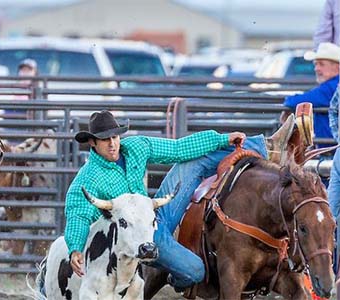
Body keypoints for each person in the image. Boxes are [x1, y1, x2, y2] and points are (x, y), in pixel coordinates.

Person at [65, 110, 296, 290]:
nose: (113, 143)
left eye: (115, 136)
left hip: (155, 217)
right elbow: (78, 212)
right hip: (138, 237)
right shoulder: (89, 178)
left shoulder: (134, 147)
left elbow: (178, 148)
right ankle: (172, 276)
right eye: (105, 140)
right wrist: (75, 247)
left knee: (192, 160)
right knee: (195, 271)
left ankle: (267, 147)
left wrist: (223, 139)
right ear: (93, 143)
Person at [282, 42, 340, 148]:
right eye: (315, 64)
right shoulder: (332, 85)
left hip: (333, 150)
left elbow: (295, 101)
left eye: (321, 64)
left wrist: (288, 103)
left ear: (337, 67)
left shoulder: (332, 87)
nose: (316, 69)